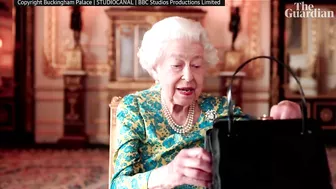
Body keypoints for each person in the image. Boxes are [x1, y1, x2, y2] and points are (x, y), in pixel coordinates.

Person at [110, 16, 301, 189]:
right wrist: (168, 174)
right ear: (155, 68)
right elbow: (118, 184)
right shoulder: (135, 109)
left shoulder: (217, 109)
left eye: (197, 65)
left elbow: (262, 141)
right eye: (177, 65)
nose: (188, 76)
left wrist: (284, 118)